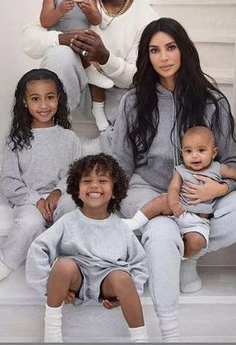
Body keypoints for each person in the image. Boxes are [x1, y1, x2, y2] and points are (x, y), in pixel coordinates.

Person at [111, 17, 236, 342]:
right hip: (148, 191)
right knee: (163, 229)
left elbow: (232, 162)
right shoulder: (133, 102)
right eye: (154, 50)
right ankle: (169, 331)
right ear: (146, 56)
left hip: (201, 196)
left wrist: (221, 187)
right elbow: (121, 164)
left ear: (184, 50)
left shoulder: (212, 102)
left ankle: (188, 256)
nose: (163, 57)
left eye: (170, 47)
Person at [20, 0, 157, 148]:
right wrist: (60, 38)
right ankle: (53, 131)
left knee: (138, 101)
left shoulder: (146, 19)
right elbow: (28, 39)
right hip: (75, 91)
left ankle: (104, 140)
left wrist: (105, 59)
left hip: (112, 99)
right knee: (60, 54)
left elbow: (137, 77)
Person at [26, 153, 149, 343]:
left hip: (107, 281)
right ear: (77, 189)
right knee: (63, 266)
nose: (94, 186)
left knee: (123, 278)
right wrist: (48, 288)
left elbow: (139, 263)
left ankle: (141, 339)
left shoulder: (122, 227)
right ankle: (52, 335)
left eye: (102, 180)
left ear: (115, 190)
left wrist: (131, 292)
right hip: (76, 279)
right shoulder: (68, 221)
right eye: (87, 181)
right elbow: (38, 248)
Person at [0, 68, 82, 281]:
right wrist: (37, 201)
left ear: (59, 99)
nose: (44, 106)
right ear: (25, 102)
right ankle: (5, 263)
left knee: (73, 213)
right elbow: (9, 182)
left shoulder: (69, 138)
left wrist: (57, 192)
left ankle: (68, 266)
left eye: (50, 98)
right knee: (30, 224)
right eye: (36, 99)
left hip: (62, 197)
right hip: (28, 202)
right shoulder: (15, 141)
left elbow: (76, 174)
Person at [123, 126, 236, 256]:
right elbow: (174, 188)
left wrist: (220, 188)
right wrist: (174, 204)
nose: (194, 156)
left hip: (198, 218)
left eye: (201, 150)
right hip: (179, 208)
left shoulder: (219, 168)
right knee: (162, 200)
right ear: (182, 154)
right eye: (188, 151)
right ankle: (135, 221)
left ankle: (181, 258)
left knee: (197, 242)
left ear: (214, 153)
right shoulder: (181, 170)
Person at [41, 0, 114, 132]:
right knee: (91, 70)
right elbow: (45, 22)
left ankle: (98, 110)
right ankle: (88, 73)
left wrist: (89, 10)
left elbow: (96, 19)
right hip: (65, 46)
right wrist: (59, 11)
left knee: (97, 76)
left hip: (85, 47)